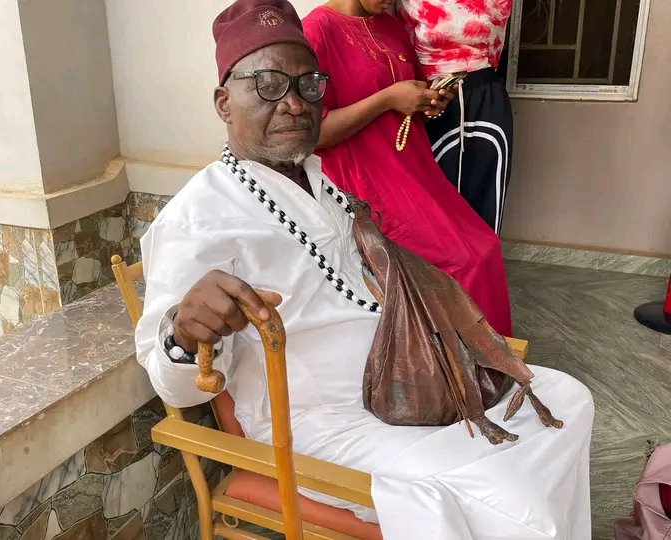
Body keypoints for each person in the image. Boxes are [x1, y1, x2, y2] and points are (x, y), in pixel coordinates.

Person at [136, 0, 594, 537]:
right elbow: (178, 388)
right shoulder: (196, 217)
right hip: (323, 425)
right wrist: (182, 336)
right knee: (511, 499)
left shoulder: (323, 181)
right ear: (224, 102)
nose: (293, 104)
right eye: (267, 85)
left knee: (568, 398)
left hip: (406, 377)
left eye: (309, 86)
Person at [301, 0, 513, 337]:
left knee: (484, 246)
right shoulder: (315, 32)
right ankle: (454, 361)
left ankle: (485, 360)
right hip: (361, 179)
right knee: (462, 261)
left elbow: (409, 101)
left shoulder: (392, 28)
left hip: (411, 169)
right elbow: (314, 133)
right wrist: (386, 99)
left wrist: (429, 102)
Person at [396, 0, 514, 234]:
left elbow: (495, 47)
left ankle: (482, 258)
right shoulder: (408, 3)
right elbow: (403, 44)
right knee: (433, 201)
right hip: (429, 97)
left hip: (484, 94)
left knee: (484, 196)